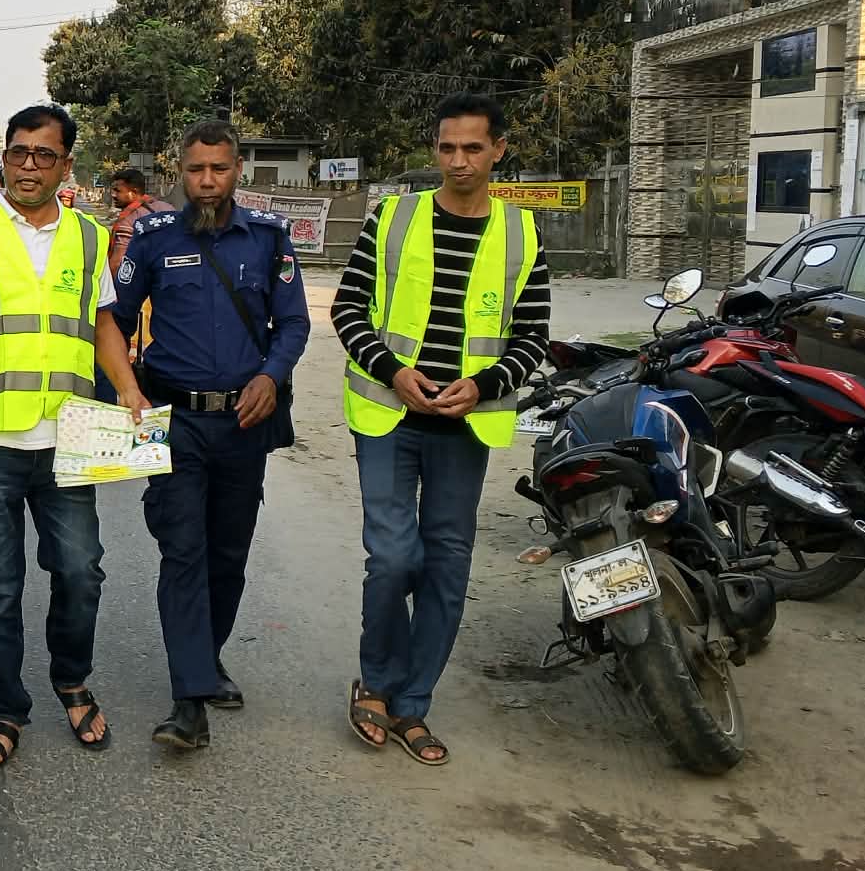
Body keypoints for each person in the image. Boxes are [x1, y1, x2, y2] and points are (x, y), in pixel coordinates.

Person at [0, 102, 146, 770]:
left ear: (66, 165)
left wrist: (128, 388)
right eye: (18, 152)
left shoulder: (89, 237)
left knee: (81, 572)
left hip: (69, 436)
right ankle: (5, 709)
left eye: (44, 155)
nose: (29, 165)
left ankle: (72, 681)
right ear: (4, 157)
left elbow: (102, 323)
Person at [334, 92, 550, 766]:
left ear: (498, 151)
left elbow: (533, 335)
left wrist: (484, 385)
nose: (459, 161)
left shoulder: (522, 232)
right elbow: (347, 309)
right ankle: (376, 681)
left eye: (473, 148)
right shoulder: (393, 217)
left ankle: (410, 704)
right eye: (447, 147)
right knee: (394, 557)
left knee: (447, 565)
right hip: (388, 412)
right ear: (436, 149)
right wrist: (394, 372)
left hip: (466, 424)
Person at [112, 119, 310, 750]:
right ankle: (188, 699)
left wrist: (271, 376)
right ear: (180, 170)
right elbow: (113, 320)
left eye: (218, 169)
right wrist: (128, 390)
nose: (206, 181)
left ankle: (207, 659)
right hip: (174, 421)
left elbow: (294, 324)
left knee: (228, 554)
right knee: (183, 550)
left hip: (244, 423)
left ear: (237, 171)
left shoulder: (268, 240)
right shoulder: (152, 239)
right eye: (195, 169)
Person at [94, 167, 175, 404]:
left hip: (136, 298)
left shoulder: (129, 219)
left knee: (110, 349)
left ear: (134, 191)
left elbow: (118, 262)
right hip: (167, 297)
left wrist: (103, 292)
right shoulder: (167, 209)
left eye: (118, 190)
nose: (113, 194)